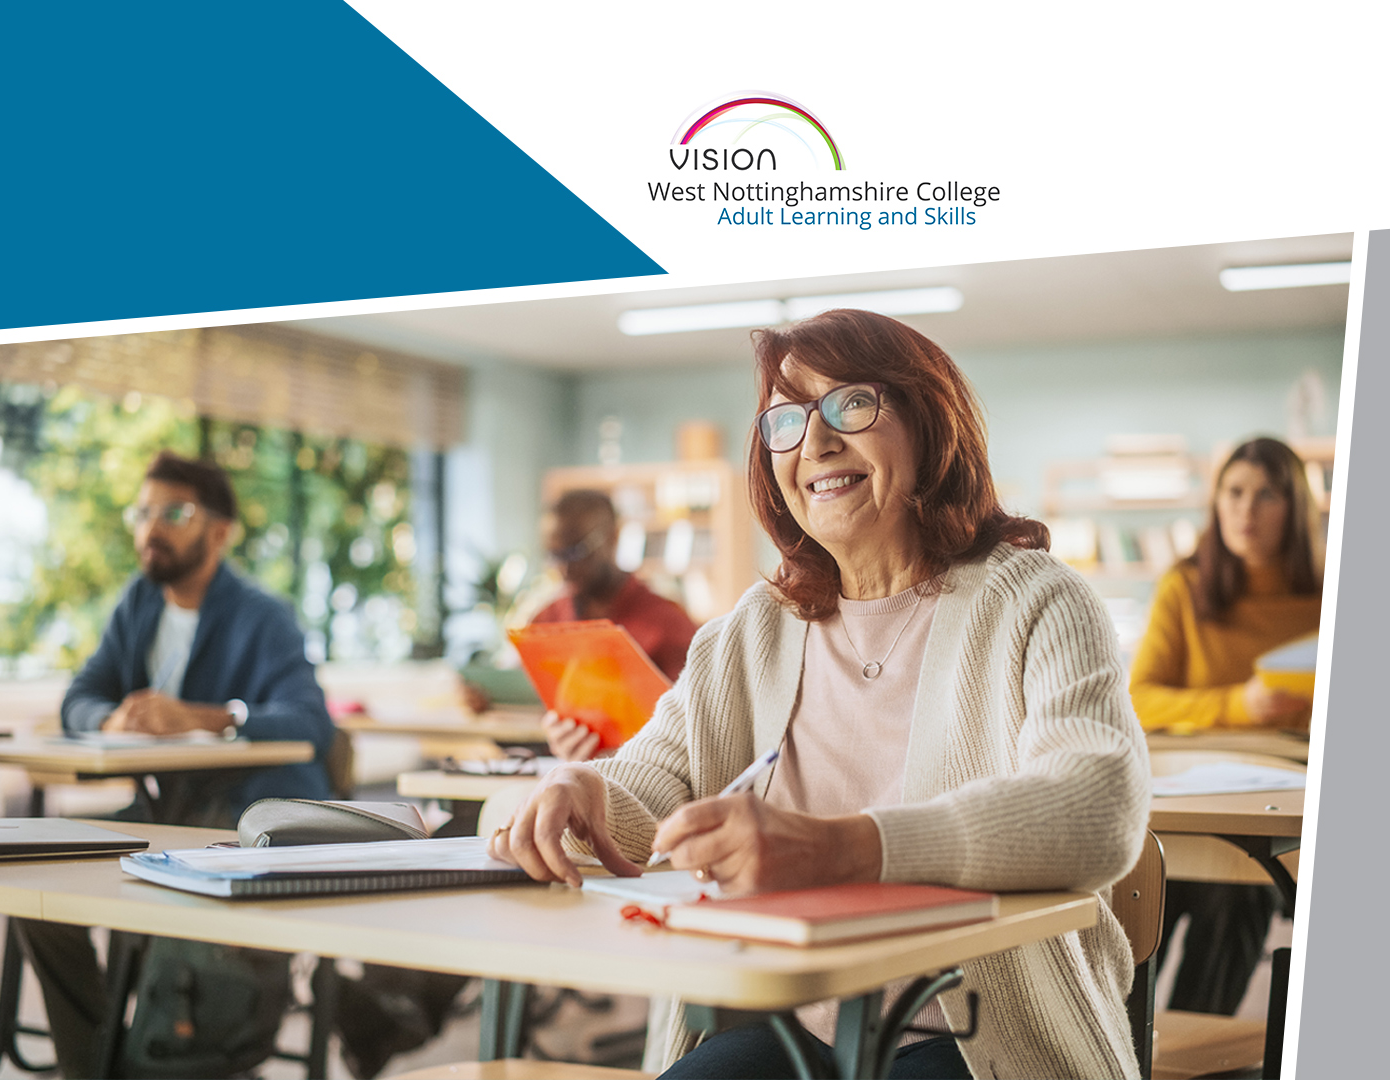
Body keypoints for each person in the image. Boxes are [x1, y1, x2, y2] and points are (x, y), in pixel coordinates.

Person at [489, 309, 1150, 1080]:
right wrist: (580, 787)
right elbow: (648, 795)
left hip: (978, 1035)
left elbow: (1100, 810)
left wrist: (845, 848)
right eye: (787, 419)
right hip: (797, 1027)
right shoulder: (752, 630)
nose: (816, 442)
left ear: (931, 427)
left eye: (852, 405)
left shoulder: (1038, 601)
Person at [16, 451, 336, 1078]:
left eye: (174, 513)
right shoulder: (138, 604)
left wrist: (206, 716)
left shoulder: (260, 614)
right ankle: (98, 1065)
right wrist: (108, 719)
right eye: (143, 512)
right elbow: (78, 699)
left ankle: (151, 1058)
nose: (150, 528)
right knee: (35, 887)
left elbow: (311, 722)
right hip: (169, 808)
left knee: (170, 897)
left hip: (250, 810)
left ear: (219, 531)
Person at [1130, 437, 1323, 1016]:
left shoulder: (1325, 594)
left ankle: (1192, 1051)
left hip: (1277, 782)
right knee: (1131, 886)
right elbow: (1139, 699)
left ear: (1295, 507)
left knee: (1240, 894)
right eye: (1234, 492)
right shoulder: (1184, 586)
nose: (1246, 510)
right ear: (1215, 502)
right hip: (1181, 786)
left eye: (1267, 495)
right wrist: (1240, 703)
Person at [533, 489, 699, 761]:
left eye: (576, 551)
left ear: (613, 537)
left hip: (648, 771)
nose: (564, 568)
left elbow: (696, 723)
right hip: (564, 768)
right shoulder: (546, 619)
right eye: (555, 554)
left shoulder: (669, 622)